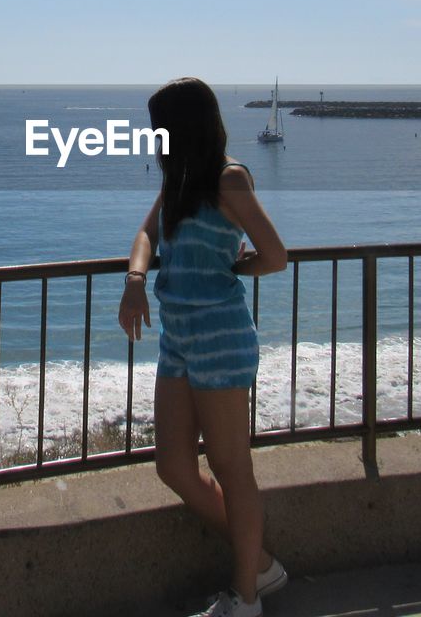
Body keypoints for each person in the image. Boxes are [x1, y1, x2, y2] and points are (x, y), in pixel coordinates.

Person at [119, 78, 289, 617]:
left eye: (159, 130)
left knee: (231, 467)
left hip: (221, 337)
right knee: (172, 465)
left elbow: (276, 254)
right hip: (179, 339)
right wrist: (135, 279)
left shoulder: (227, 178)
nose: (153, 140)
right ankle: (259, 561)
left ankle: (245, 597)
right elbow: (146, 235)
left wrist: (240, 265)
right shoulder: (181, 180)